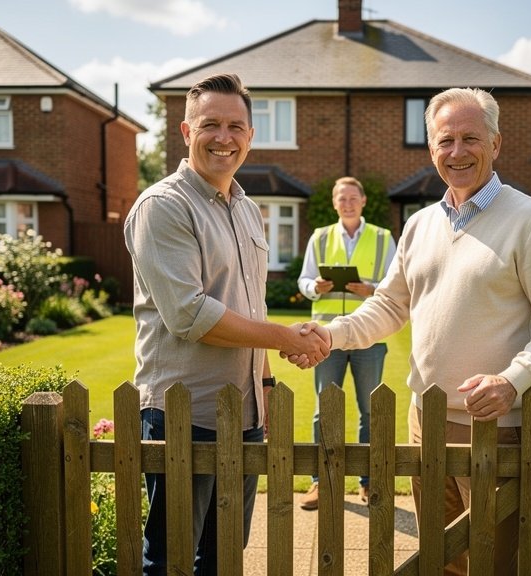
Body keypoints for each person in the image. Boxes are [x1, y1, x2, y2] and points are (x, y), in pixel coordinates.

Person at [295, 87, 531, 575]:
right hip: (422, 421)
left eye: (471, 138)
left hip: (496, 426)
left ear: (496, 144)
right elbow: (388, 306)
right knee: (440, 559)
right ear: (431, 148)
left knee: (494, 562)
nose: (457, 151)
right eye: (445, 140)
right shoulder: (420, 224)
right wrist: (332, 334)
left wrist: (513, 378)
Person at [124, 73, 329, 576]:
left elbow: (248, 305)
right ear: (186, 130)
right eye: (210, 124)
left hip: (245, 416)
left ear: (250, 136)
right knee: (171, 559)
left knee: (224, 556)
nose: (224, 137)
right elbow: (191, 314)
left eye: (236, 126)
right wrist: (286, 337)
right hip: (182, 414)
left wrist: (263, 377)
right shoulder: (164, 206)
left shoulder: (246, 208)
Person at [296, 176, 396, 510]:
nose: (348, 203)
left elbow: (397, 284)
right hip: (326, 337)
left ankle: (368, 484)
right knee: (325, 409)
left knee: (370, 410)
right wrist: (315, 289)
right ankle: (319, 483)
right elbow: (305, 279)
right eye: (342, 198)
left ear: (363, 201)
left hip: (369, 336)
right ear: (335, 202)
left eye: (353, 197)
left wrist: (372, 289)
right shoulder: (319, 237)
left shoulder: (383, 238)